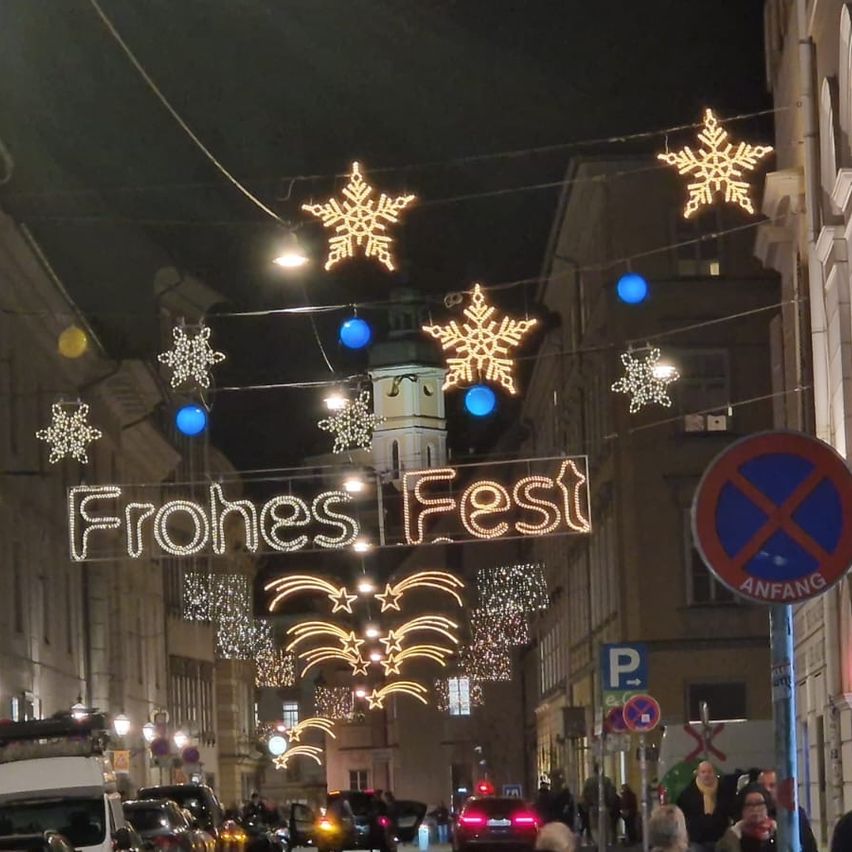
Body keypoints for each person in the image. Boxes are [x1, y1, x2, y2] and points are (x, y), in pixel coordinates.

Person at [676, 761, 730, 852]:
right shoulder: (687, 793)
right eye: (703, 772)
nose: (706, 775)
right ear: (698, 774)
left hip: (720, 839)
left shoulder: (724, 791)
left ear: (714, 773)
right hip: (696, 840)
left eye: (709, 772)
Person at [757, 769, 817, 852]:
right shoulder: (753, 815)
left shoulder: (794, 813)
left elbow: (809, 846)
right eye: (762, 786)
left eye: (772, 785)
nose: (767, 790)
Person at [716, 784, 776, 852]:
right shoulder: (731, 838)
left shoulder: (778, 833)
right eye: (749, 804)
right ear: (741, 809)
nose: (755, 809)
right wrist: (732, 839)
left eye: (759, 803)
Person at [581, 764, 618, 845]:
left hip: (593, 808)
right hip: (604, 807)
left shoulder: (589, 782)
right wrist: (611, 805)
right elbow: (611, 795)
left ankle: (598, 843)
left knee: (594, 827)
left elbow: (584, 796)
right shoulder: (607, 781)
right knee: (605, 827)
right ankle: (604, 844)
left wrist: (586, 807)